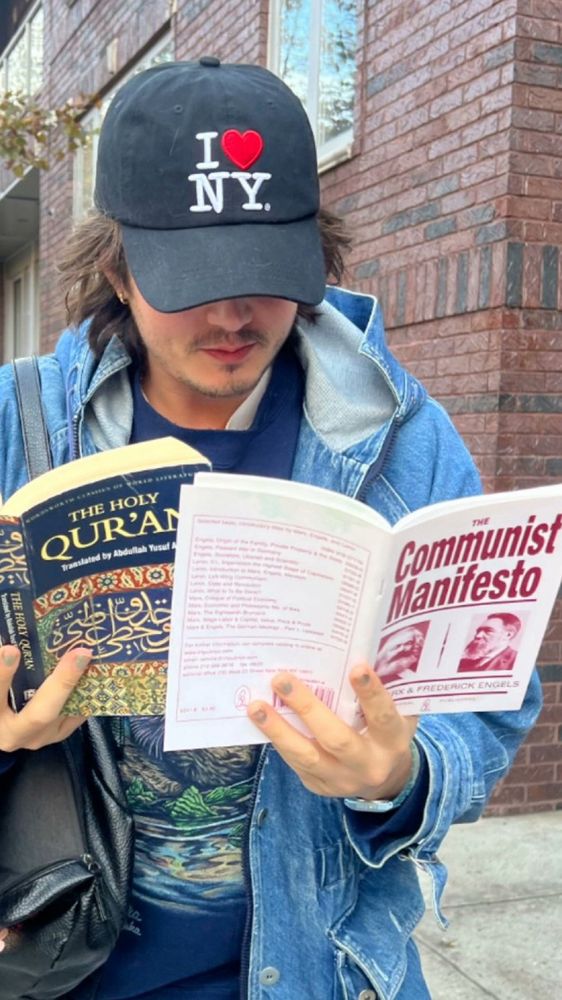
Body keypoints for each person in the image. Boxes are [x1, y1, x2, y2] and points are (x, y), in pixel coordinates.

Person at [0, 59, 542, 1000]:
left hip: (323, 966)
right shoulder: (17, 424)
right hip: (61, 960)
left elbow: (491, 699)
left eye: (263, 275)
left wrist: (402, 772)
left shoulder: (403, 440)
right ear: (119, 269)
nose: (232, 315)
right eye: (193, 278)